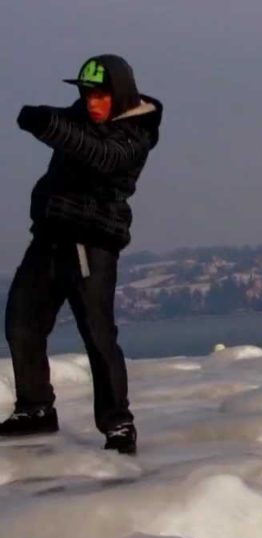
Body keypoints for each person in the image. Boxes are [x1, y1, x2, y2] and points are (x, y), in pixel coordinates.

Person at [0, 55, 163, 455]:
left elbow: (99, 154)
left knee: (97, 333)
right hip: (50, 238)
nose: (92, 103)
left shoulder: (136, 133)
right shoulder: (79, 116)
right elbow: (66, 124)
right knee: (21, 323)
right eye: (86, 95)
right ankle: (35, 408)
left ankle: (118, 423)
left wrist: (47, 125)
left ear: (120, 95)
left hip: (91, 244)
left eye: (101, 96)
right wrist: (43, 117)